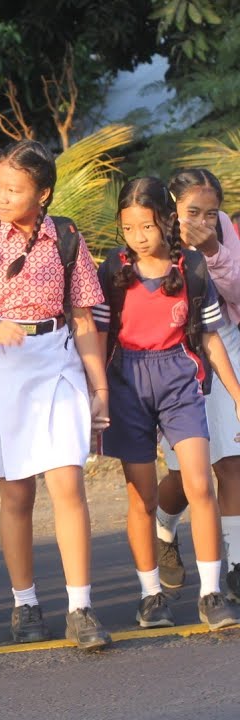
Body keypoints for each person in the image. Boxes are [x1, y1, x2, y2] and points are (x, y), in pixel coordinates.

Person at [0, 140, 113, 651]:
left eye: (14, 189)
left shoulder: (66, 237)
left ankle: (80, 607)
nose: (2, 196)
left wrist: (97, 386)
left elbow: (82, 314)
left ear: (43, 193)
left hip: (55, 359)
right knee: (17, 494)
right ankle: (25, 603)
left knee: (68, 484)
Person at [94, 177, 240, 631]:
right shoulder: (112, 270)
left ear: (166, 222)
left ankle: (212, 593)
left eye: (148, 226)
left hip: (180, 379)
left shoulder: (191, 267)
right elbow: (98, 338)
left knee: (200, 483)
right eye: (129, 228)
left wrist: (237, 394)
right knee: (142, 496)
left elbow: (211, 340)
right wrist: (96, 392)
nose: (139, 237)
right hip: (128, 383)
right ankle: (150, 595)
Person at [153, 169, 240, 602]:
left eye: (211, 212)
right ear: (172, 208)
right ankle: (163, 529)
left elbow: (238, 293)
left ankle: (237, 564)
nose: (203, 219)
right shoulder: (153, 233)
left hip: (223, 341)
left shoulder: (222, 232)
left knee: (232, 460)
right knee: (185, 471)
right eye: (192, 212)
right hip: (174, 353)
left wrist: (213, 250)